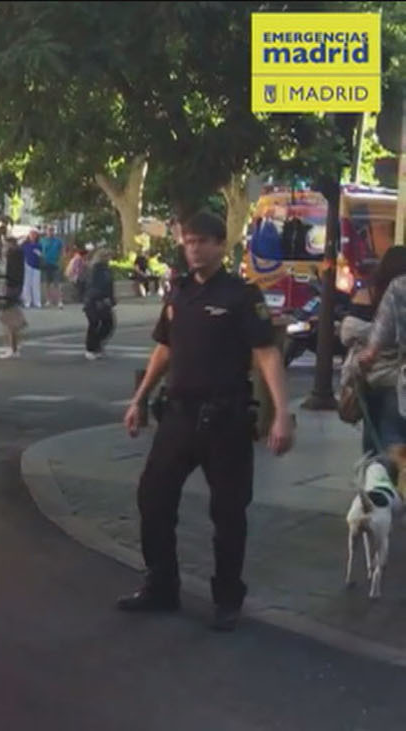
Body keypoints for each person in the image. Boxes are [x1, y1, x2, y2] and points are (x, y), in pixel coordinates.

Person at [121, 210, 293, 632]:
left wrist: (281, 415)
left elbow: (266, 353)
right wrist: (139, 399)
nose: (193, 248)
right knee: (153, 499)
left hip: (226, 420)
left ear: (221, 245)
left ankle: (227, 597)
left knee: (229, 513)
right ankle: (161, 585)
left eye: (201, 241)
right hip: (178, 415)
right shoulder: (178, 293)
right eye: (187, 241)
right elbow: (164, 349)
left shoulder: (240, 295)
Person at [356, 248, 406, 486]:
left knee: (391, 443)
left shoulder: (399, 287)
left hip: (398, 380)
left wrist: (370, 354)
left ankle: (381, 487)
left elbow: (380, 331)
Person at [83, 248, 116, 360]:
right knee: (94, 324)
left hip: (104, 300)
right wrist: (100, 297)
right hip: (94, 300)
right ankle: (90, 348)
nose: (109, 258)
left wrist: (111, 299)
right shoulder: (95, 269)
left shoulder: (107, 269)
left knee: (108, 324)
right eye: (107, 256)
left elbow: (109, 286)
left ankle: (98, 345)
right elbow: (94, 286)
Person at [0, 238, 27, 359]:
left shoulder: (12, 257)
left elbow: (8, 274)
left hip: (10, 288)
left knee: (8, 319)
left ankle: (11, 347)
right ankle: (14, 346)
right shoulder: (18, 256)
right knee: (10, 317)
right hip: (15, 287)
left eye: (5, 246)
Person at [40, 225, 64, 309]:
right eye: (49, 230)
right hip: (46, 264)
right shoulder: (42, 241)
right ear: (46, 231)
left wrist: (61, 261)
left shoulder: (58, 241)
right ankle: (48, 300)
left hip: (55, 264)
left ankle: (60, 301)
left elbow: (61, 251)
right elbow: (40, 250)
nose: (51, 232)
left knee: (57, 283)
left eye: (52, 230)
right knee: (46, 283)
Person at [20, 230, 42, 308]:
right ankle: (27, 301)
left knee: (36, 285)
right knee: (27, 284)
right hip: (27, 265)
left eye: (34, 234)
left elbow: (41, 255)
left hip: (36, 266)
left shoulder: (39, 245)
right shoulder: (25, 245)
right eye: (31, 234)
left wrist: (39, 254)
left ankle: (37, 302)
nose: (33, 236)